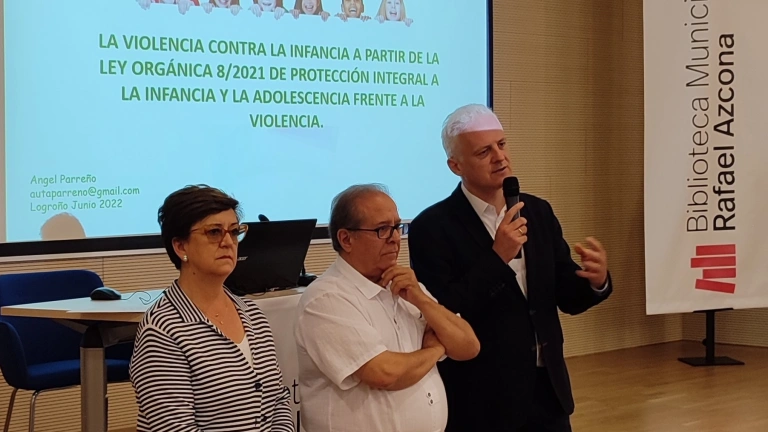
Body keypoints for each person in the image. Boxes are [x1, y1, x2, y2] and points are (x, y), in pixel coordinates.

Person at [408, 104, 613, 432]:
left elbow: (565, 296)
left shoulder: (538, 211)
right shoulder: (431, 228)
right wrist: (497, 258)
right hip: (481, 397)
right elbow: (445, 311)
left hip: (548, 389)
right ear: (455, 166)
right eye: (484, 151)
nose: (500, 157)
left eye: (502, 144)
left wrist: (595, 281)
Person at [294, 184, 480, 432]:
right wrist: (436, 348)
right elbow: (384, 373)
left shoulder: (407, 285)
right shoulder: (327, 298)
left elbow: (469, 346)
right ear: (346, 239)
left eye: (397, 227)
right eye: (382, 229)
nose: (395, 238)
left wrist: (421, 300)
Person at [129, 185, 294, 432]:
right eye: (214, 232)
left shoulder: (253, 314)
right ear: (180, 247)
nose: (228, 242)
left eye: (234, 231)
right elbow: (174, 427)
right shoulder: (162, 331)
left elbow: (279, 402)